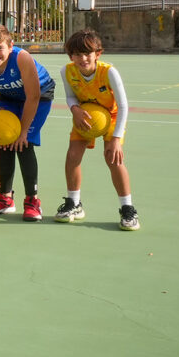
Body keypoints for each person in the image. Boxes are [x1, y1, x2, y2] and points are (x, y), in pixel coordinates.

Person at [57, 29, 138, 230]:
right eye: (77, 54)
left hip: (111, 116)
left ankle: (128, 208)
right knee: (72, 156)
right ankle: (74, 203)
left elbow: (124, 105)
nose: (82, 58)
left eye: (87, 53)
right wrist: (74, 109)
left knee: (113, 158)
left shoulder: (108, 71)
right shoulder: (67, 71)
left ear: (97, 54)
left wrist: (117, 138)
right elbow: (70, 96)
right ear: (71, 56)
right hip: (85, 116)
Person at [0, 23, 56, 222]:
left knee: (23, 145)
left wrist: (23, 131)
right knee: (4, 143)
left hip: (39, 95)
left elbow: (33, 96)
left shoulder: (22, 58)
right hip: (9, 97)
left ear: (10, 46)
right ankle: (5, 198)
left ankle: (32, 200)